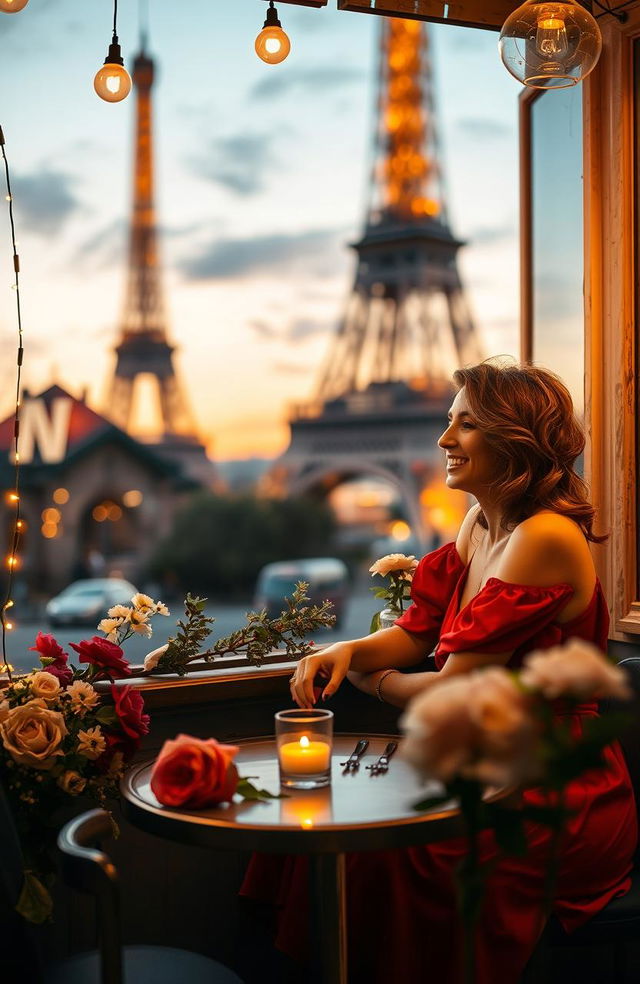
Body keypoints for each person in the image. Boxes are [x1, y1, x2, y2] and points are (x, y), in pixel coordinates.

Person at [241, 360, 637, 984]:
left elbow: (454, 689)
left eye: (466, 425)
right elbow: (419, 631)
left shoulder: (546, 538)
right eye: (448, 422)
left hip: (554, 787)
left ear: (515, 438)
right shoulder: (482, 524)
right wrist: (347, 651)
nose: (444, 440)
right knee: (338, 829)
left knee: (384, 853)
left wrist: (372, 681)